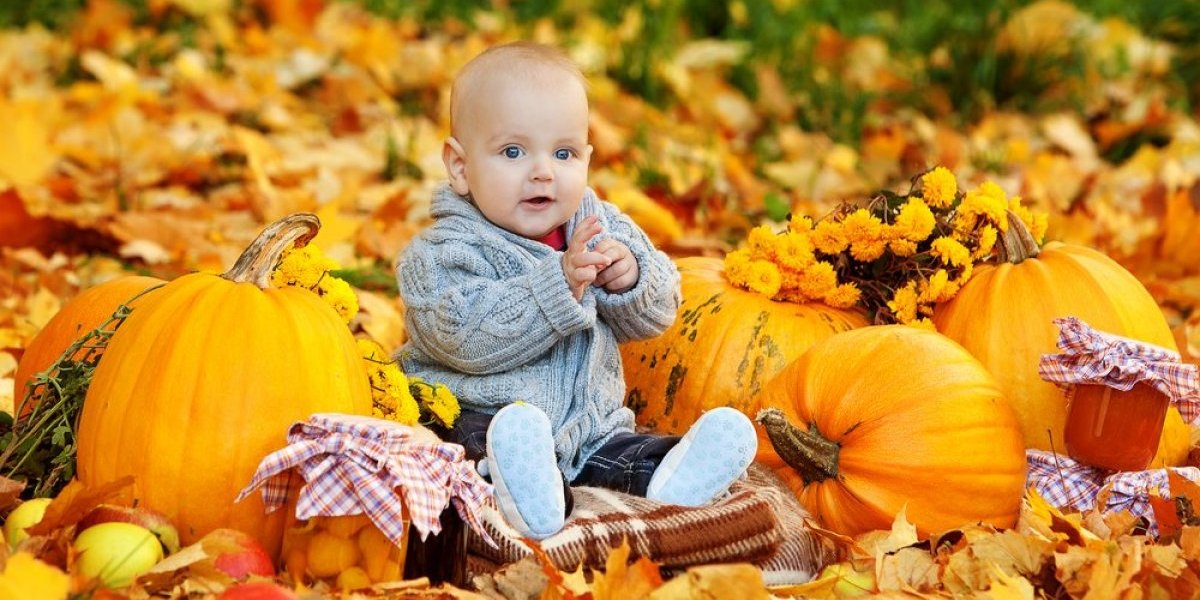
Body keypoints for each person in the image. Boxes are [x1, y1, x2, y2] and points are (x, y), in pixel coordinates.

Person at [396, 41, 757, 540]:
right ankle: (518, 484)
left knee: (625, 451)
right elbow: (461, 336)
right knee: (462, 439)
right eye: (513, 152)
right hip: (479, 412)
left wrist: (629, 278)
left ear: (587, 157)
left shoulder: (598, 224)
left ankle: (670, 476)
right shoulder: (442, 250)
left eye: (563, 153)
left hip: (589, 430)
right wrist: (556, 285)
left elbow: (661, 312)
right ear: (460, 166)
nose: (543, 171)